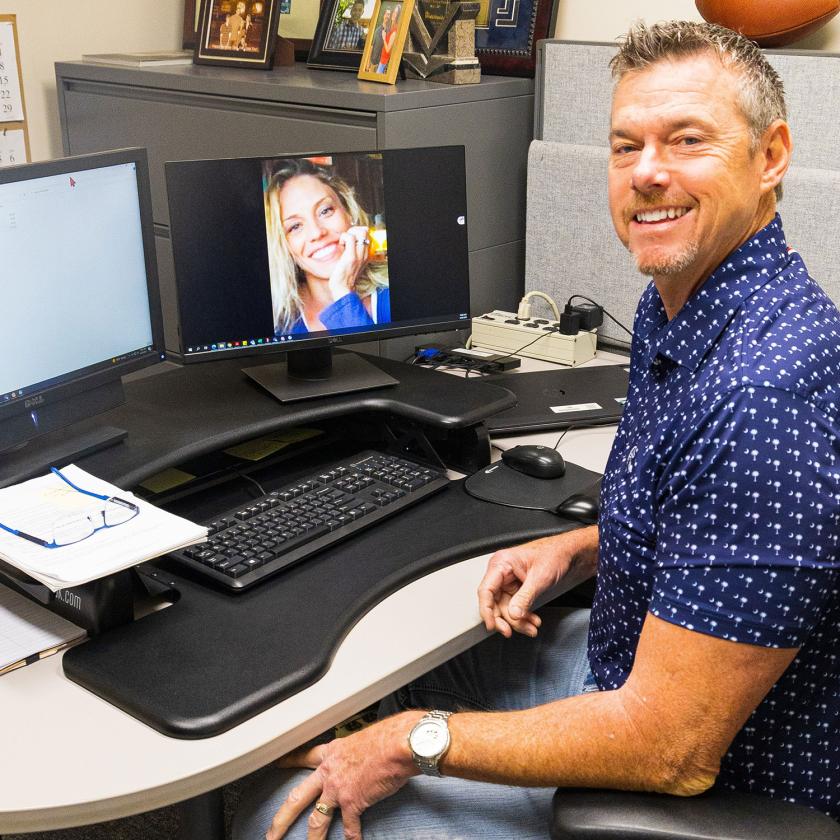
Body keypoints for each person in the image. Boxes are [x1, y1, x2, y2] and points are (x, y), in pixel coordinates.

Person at [234, 20, 840, 839]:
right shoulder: (690, 299)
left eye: (686, 140)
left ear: (771, 157)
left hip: (699, 778)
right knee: (375, 689)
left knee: (282, 809)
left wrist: (410, 745)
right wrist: (590, 545)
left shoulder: (759, 396)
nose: (649, 173)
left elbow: (673, 749)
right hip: (629, 663)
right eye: (627, 148)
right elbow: (714, 520)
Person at [263, 157, 390, 335]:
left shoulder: (393, 294)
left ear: (348, 213)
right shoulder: (278, 324)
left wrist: (342, 291)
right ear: (284, 245)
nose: (317, 233)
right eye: (295, 226)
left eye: (325, 211)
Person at [376, 5, 399, 74]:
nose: (394, 14)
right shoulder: (390, 27)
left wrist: (384, 38)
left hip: (385, 61)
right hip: (382, 59)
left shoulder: (395, 30)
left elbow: (388, 49)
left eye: (396, 13)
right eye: (394, 12)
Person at [367, 8, 388, 73]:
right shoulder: (377, 30)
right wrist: (368, 63)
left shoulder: (389, 31)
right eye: (387, 14)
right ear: (383, 15)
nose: (388, 16)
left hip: (383, 64)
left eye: (389, 15)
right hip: (373, 63)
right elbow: (371, 47)